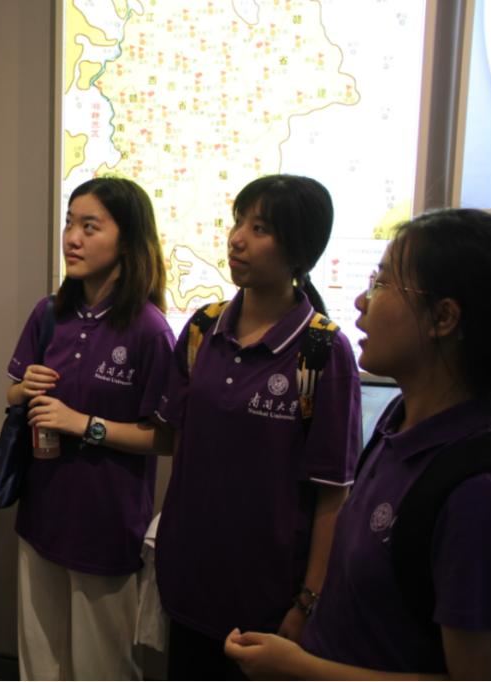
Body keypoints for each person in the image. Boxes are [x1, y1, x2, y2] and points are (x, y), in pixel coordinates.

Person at [224, 208, 491, 679]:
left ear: (444, 317)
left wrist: (303, 669)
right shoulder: (398, 420)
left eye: (382, 284)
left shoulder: (476, 492)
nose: (360, 300)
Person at [153, 174, 362, 678]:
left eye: (260, 228)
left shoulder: (321, 350)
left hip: (268, 598)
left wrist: (306, 602)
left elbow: (332, 495)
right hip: (188, 580)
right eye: (238, 222)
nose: (237, 239)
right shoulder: (202, 328)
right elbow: (181, 445)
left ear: (299, 251)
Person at [6, 177, 175, 680]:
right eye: (69, 223)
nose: (72, 238)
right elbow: (12, 396)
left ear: (127, 240)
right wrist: (22, 390)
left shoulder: (149, 329)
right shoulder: (49, 313)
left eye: (89, 226)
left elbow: (165, 437)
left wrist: (84, 425)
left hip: (107, 526)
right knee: (39, 662)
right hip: (40, 514)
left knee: (101, 666)